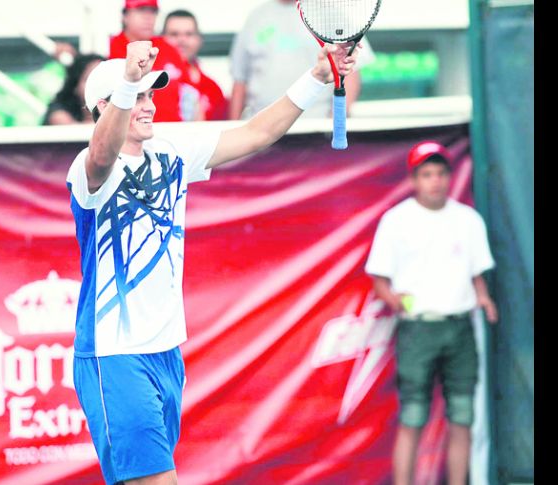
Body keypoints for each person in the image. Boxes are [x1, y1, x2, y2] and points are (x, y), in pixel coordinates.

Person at [68, 39, 359, 485]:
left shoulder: (171, 149)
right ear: (106, 106)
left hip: (166, 353)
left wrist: (317, 78)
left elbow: (257, 133)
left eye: (149, 95)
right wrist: (128, 79)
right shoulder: (87, 168)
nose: (148, 106)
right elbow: (102, 156)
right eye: (138, 97)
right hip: (114, 356)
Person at [364, 142, 499, 485]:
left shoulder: (467, 219)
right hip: (418, 330)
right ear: (413, 179)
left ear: (450, 176)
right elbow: (380, 281)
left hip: (459, 328)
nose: (435, 181)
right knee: (412, 416)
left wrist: (483, 299)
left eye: (440, 173)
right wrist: (397, 301)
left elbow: (476, 274)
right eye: (427, 174)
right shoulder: (396, 221)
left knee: (462, 417)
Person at [228, 0, 376, 120]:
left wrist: (335, 119)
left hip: (315, 128)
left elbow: (351, 72)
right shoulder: (256, 17)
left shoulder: (331, 14)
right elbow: (240, 81)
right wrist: (233, 128)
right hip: (259, 128)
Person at [109, 0, 192, 122]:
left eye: (153, 11)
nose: (148, 17)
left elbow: (190, 95)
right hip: (131, 133)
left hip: (173, 132)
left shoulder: (169, 49)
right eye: (141, 10)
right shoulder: (110, 50)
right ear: (125, 16)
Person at [162, 9, 228, 121]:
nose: (181, 40)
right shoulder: (149, 83)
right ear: (161, 38)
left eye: (189, 34)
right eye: (174, 34)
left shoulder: (213, 90)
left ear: (199, 39)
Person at [43, 53, 106, 125]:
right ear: (75, 86)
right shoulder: (59, 113)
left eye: (103, 79)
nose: (98, 85)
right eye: (89, 79)